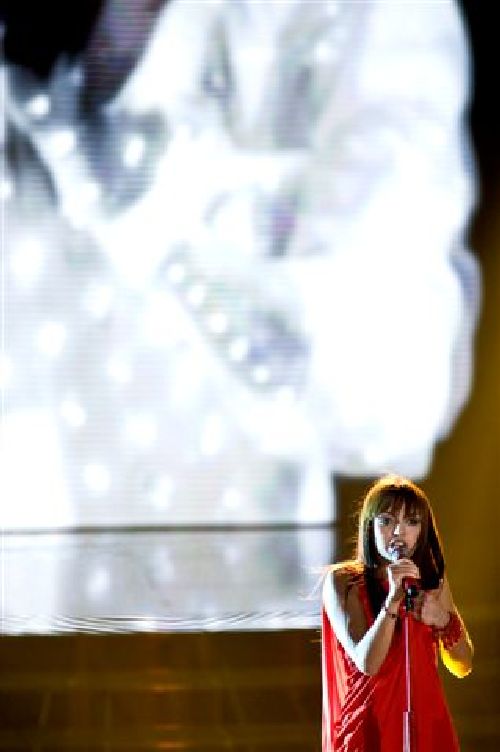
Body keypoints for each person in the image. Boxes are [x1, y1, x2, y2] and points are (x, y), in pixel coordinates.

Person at [322, 475, 473, 751]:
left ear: (423, 530)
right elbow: (368, 663)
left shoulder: (431, 581)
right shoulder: (344, 581)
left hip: (427, 725)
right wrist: (392, 601)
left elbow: (463, 664)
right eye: (387, 521)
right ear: (370, 526)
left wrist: (442, 620)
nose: (399, 532)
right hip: (372, 727)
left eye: (411, 522)